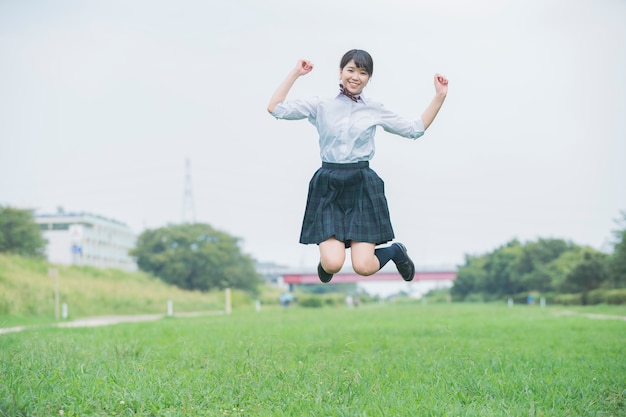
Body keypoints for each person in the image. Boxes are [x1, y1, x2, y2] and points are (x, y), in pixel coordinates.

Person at [267, 49, 448, 283]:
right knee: (333, 263)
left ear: (368, 78)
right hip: (328, 184)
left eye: (363, 73)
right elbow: (275, 108)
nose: (355, 77)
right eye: (351, 70)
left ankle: (395, 251)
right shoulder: (321, 105)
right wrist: (296, 73)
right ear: (341, 72)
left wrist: (439, 96)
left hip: (361, 184)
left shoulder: (374, 108)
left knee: (363, 267)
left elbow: (414, 129)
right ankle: (327, 263)